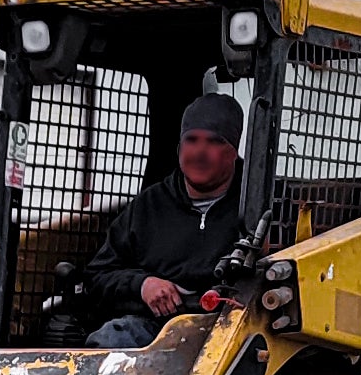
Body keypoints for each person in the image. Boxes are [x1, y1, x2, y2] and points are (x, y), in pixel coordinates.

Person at [79, 93, 245, 348]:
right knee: (113, 339)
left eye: (214, 141)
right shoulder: (148, 206)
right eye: (192, 140)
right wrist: (143, 285)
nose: (200, 152)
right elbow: (98, 276)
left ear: (234, 152)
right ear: (179, 148)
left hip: (233, 330)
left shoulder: (259, 205)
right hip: (157, 330)